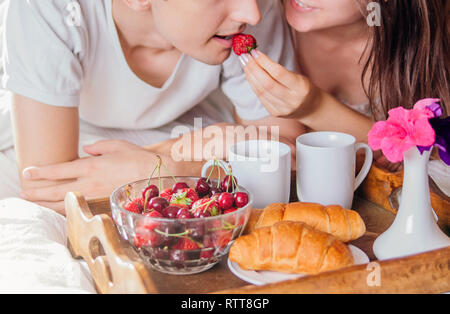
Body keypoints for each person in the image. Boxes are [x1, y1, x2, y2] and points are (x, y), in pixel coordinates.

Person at [1, 0, 302, 213]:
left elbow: (285, 152)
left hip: (188, 125)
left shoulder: (252, 10)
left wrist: (163, 167)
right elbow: (50, 185)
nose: (252, 12)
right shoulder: (43, 7)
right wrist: (201, 151)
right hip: (78, 129)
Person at [239, 0, 449, 170]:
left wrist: (315, 108)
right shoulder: (255, 20)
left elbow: (429, 158)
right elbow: (271, 156)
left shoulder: (424, 46)